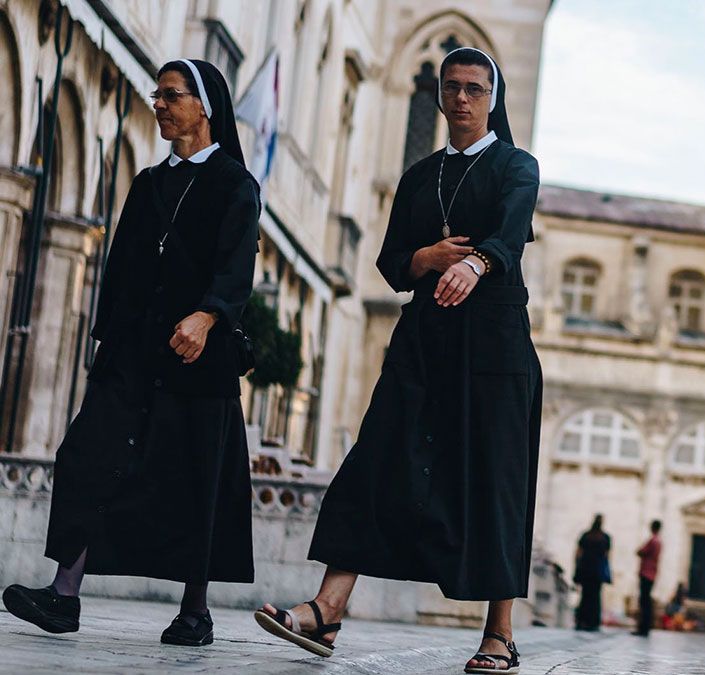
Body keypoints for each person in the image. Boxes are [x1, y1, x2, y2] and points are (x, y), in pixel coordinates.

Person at [252, 47, 541, 673]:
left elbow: (511, 232)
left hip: (493, 347)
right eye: (452, 87)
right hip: (424, 342)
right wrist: (428, 258)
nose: (461, 98)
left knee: (497, 478)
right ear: (439, 96)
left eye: (473, 88)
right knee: (376, 457)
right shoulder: (419, 177)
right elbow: (390, 264)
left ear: (492, 98)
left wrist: (474, 262)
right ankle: (328, 610)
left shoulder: (518, 167)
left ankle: (499, 633)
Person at [2, 59, 259, 648]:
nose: (160, 105)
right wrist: (109, 344)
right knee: (87, 458)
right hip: (135, 355)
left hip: (200, 359)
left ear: (205, 107)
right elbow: (120, 269)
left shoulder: (234, 184)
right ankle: (64, 595)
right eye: (157, 95)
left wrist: (208, 314)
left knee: (195, 479)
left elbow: (236, 264)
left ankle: (195, 611)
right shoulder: (147, 184)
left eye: (171, 96)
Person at [573, 515, 611, 632]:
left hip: (585, 568)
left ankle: (581, 620)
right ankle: (593, 622)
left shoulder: (586, 535)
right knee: (595, 597)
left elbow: (578, 553)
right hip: (597, 571)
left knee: (585, 595)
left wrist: (577, 566)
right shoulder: (605, 537)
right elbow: (607, 555)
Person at [633, 520, 662, 636]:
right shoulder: (659, 542)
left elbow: (640, 551)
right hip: (652, 573)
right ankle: (645, 627)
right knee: (647, 601)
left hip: (646, 572)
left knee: (644, 601)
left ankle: (643, 628)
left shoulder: (652, 541)